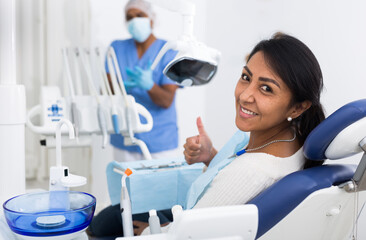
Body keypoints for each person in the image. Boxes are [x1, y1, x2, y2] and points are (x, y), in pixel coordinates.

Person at [87, 32, 325, 237]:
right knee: (110, 215)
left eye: (266, 88)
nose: (244, 96)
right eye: (246, 77)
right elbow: (240, 167)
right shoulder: (294, 137)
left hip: (183, 223)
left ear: (298, 107)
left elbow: (188, 234)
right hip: (192, 211)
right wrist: (211, 155)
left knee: (102, 225)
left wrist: (147, 232)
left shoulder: (249, 174)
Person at [107, 0, 179, 162]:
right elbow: (107, 91)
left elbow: (167, 100)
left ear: (152, 19)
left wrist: (150, 86)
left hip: (160, 140)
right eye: (129, 17)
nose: (134, 21)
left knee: (160, 186)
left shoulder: (168, 51)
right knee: (124, 185)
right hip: (124, 137)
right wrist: (120, 87)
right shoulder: (116, 48)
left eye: (140, 15)